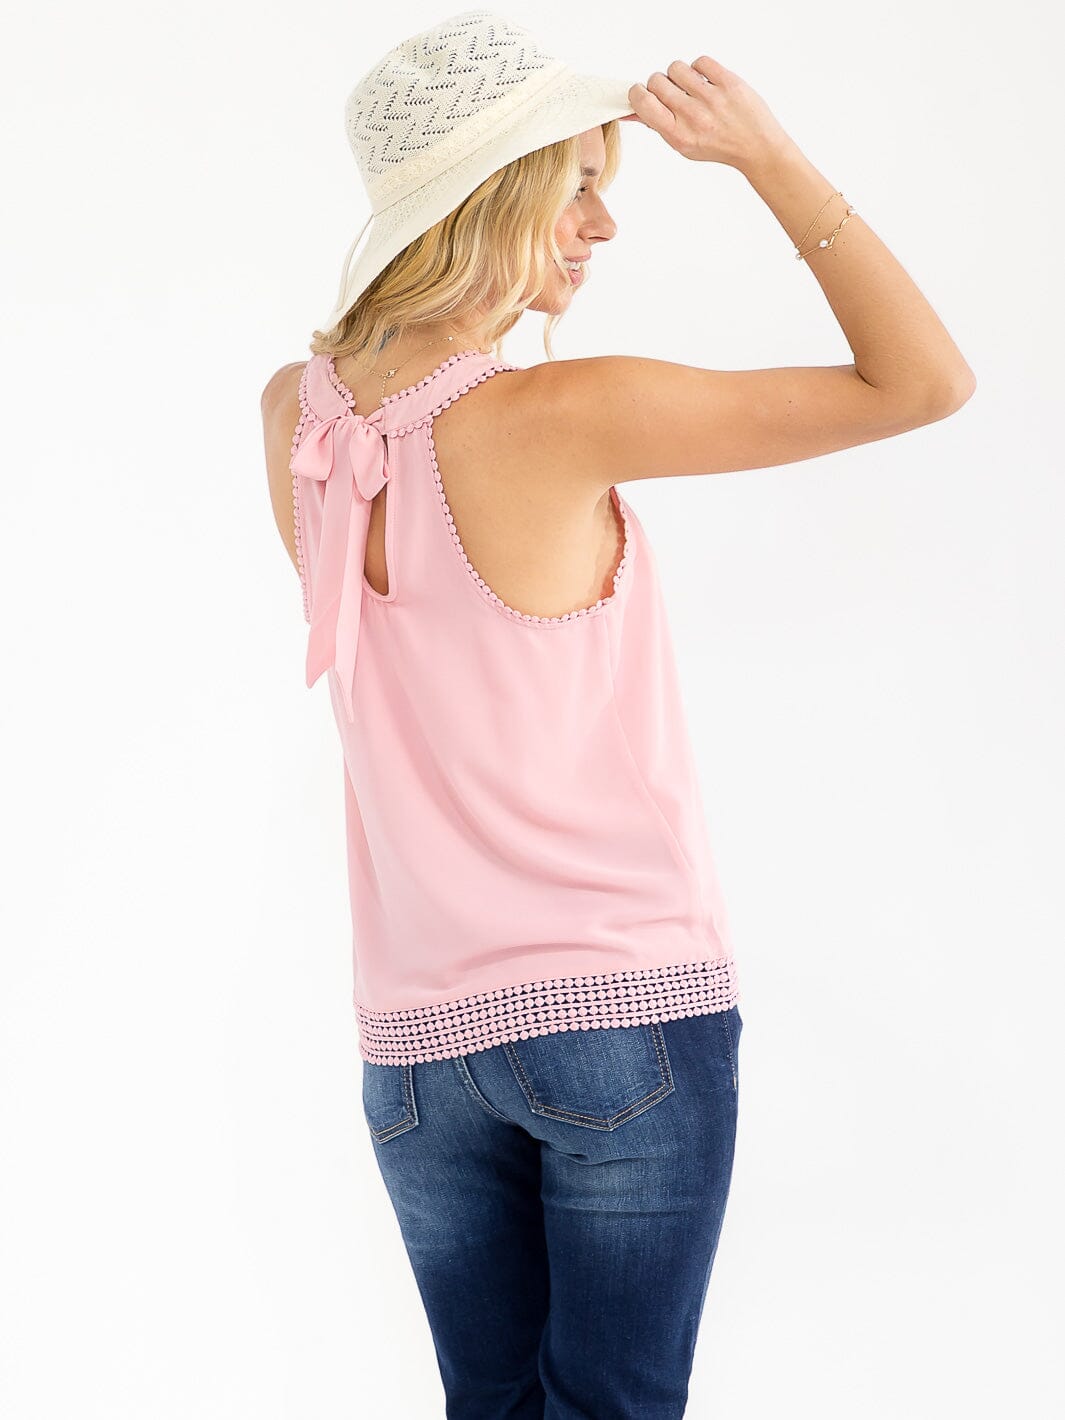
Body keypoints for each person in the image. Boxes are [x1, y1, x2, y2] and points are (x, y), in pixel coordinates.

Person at [260, 12, 975, 1417]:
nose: (601, 225)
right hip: (617, 1011)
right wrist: (768, 157)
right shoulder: (562, 415)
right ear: (494, 197)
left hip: (413, 1045)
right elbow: (925, 382)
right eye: (578, 184)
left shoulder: (296, 414)